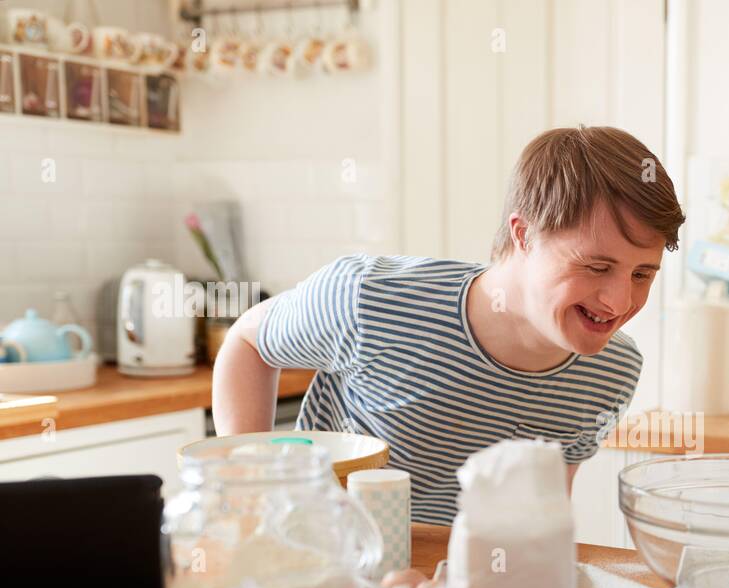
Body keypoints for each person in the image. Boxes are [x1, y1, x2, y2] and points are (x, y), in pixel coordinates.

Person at [213, 126, 685, 524]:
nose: (620, 301)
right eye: (597, 267)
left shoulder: (612, 370)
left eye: (642, 274)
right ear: (525, 235)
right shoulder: (369, 299)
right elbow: (248, 342)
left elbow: (544, 509)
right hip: (329, 571)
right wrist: (249, 496)